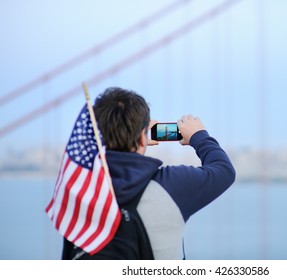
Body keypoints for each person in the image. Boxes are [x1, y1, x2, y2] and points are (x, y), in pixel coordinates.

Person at [63, 87, 235, 259]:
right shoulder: (171, 186)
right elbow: (224, 170)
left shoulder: (79, 190)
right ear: (142, 137)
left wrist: (140, 135)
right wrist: (199, 136)